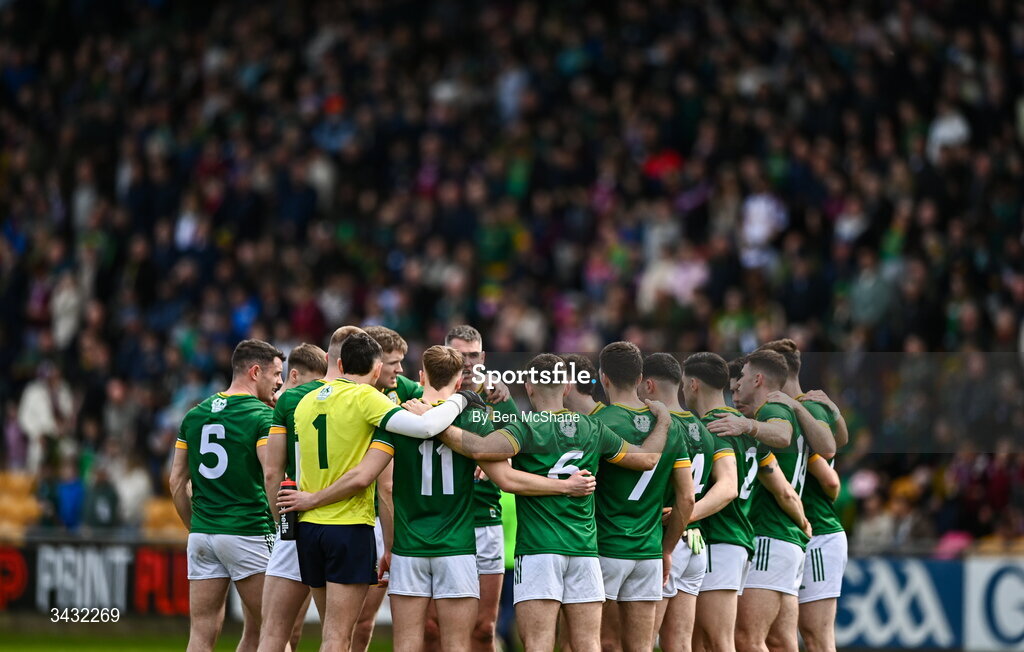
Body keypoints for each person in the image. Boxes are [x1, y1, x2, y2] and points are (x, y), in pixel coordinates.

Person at [434, 353, 672, 652]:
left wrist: (435, 424)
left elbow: (482, 450)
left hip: (539, 551)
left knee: (538, 644)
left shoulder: (525, 428)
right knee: (588, 643)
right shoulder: (592, 429)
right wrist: (663, 420)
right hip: (584, 551)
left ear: (529, 387)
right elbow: (647, 459)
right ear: (567, 387)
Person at [373, 345, 597, 652]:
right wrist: (564, 486)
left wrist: (389, 545)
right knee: (459, 645)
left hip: (410, 545)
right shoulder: (476, 418)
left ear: (422, 376)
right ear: (459, 380)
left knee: (408, 644)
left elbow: (380, 483)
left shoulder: (398, 417)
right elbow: (505, 478)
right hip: (458, 546)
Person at [277, 332, 477, 652]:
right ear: (375, 370)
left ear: (340, 363)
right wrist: (461, 398)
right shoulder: (367, 397)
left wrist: (309, 500)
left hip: (308, 528)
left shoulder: (304, 401)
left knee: (325, 630)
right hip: (348, 525)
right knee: (338, 637)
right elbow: (425, 429)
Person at [169, 339, 285, 652]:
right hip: (247, 531)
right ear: (255, 371)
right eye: (276, 374)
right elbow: (271, 473)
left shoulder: (194, 415)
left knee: (201, 635)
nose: (280, 382)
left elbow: (177, 481)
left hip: (204, 535)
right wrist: (283, 525)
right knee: (275, 634)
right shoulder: (262, 417)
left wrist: (196, 526)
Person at [591, 342, 694, 652]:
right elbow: (686, 499)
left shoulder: (600, 424)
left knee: (603, 643)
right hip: (648, 553)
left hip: (606, 548)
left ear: (603, 378)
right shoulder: (671, 427)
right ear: (640, 379)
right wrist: (666, 550)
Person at [707, 351, 812, 652]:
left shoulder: (771, 410)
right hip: (788, 537)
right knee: (780, 641)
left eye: (741, 379)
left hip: (769, 532)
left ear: (758, 378)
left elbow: (782, 434)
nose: (737, 386)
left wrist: (746, 426)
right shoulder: (791, 410)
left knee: (747, 639)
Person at [641, 353, 737, 652]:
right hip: (695, 542)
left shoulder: (656, 427)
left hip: (663, 539)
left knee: (642, 641)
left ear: (649, 385)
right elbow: (725, 484)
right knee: (680, 643)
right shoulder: (704, 430)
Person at [758, 339, 847, 652]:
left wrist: (811, 508)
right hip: (799, 531)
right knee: (785, 636)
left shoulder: (801, 408)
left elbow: (831, 479)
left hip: (817, 530)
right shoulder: (809, 405)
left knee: (815, 635)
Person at [444, 324, 519, 652]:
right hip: (441, 522)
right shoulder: (432, 396)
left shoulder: (499, 399)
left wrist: (497, 463)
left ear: (484, 357)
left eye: (473, 355)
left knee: (485, 627)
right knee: (434, 629)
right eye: (460, 355)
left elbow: (520, 451)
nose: (467, 362)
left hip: (485, 521)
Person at [257, 340, 333, 652]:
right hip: (334, 518)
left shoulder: (282, 403)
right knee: (336, 633)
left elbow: (272, 473)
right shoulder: (346, 398)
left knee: (274, 631)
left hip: (292, 520)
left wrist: (281, 522)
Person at [353, 325, 421, 652]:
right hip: (353, 514)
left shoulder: (403, 390)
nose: (400, 370)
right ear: (375, 363)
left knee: (365, 619)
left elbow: (439, 399)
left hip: (387, 517)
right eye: (394, 363)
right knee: (345, 617)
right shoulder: (351, 396)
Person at [681, 353, 754, 652]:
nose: (682, 391)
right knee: (701, 642)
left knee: (718, 641)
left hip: (722, 537)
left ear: (694, 384)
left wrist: (684, 516)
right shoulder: (742, 423)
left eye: (684, 384)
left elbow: (728, 488)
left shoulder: (716, 425)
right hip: (731, 538)